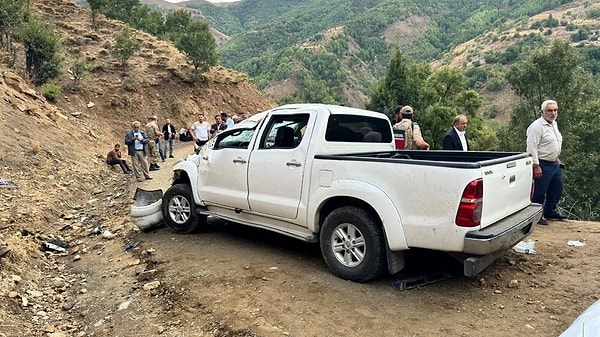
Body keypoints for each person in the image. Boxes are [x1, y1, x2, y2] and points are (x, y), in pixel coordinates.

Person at [526, 99, 566, 225]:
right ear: (542, 112)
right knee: (539, 192)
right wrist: (535, 165)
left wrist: (557, 158)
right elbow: (532, 147)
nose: (553, 113)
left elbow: (552, 143)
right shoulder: (537, 127)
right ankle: (536, 217)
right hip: (542, 164)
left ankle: (550, 212)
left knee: (556, 188)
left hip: (554, 163)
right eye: (550, 110)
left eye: (555, 110)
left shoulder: (554, 124)